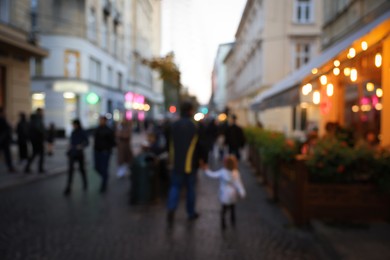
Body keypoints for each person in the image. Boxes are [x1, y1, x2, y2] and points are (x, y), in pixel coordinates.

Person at [166, 101, 208, 226]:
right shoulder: (194, 126)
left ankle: (171, 208)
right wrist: (204, 160)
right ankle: (190, 213)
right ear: (190, 111)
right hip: (191, 163)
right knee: (190, 188)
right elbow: (202, 146)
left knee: (175, 186)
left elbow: (168, 144)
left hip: (177, 163)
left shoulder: (174, 125)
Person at [203, 155, 246, 230]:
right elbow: (239, 184)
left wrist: (206, 170)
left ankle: (223, 223)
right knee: (233, 208)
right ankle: (233, 221)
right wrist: (242, 193)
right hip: (233, 194)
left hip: (225, 194)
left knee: (224, 210)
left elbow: (213, 175)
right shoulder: (236, 173)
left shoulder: (222, 172)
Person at [64, 119, 89, 196]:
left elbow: (87, 142)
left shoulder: (82, 132)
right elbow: (71, 142)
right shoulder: (73, 132)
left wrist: (81, 146)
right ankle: (68, 187)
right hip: (72, 153)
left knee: (81, 169)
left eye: (74, 124)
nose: (73, 126)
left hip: (79, 153)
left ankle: (85, 183)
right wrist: (70, 147)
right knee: (71, 171)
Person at [93, 115, 115, 193]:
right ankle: (105, 177)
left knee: (104, 168)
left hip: (105, 152)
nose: (100, 121)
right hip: (97, 151)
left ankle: (104, 184)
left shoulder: (109, 130)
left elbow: (113, 142)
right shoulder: (97, 129)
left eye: (102, 120)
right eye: (100, 120)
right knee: (97, 167)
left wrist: (108, 149)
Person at [24, 108, 46, 173]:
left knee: (34, 153)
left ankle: (27, 167)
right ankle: (40, 168)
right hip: (38, 139)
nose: (43, 113)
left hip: (34, 139)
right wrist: (43, 133)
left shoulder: (33, 118)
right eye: (42, 112)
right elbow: (38, 128)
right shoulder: (37, 119)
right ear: (39, 112)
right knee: (41, 153)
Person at [0, 107, 15, 173]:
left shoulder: (3, 119)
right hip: (3, 140)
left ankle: (10, 167)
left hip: (4, 140)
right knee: (7, 155)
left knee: (7, 155)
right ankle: (10, 167)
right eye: (4, 111)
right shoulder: (2, 120)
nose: (5, 113)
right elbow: (6, 128)